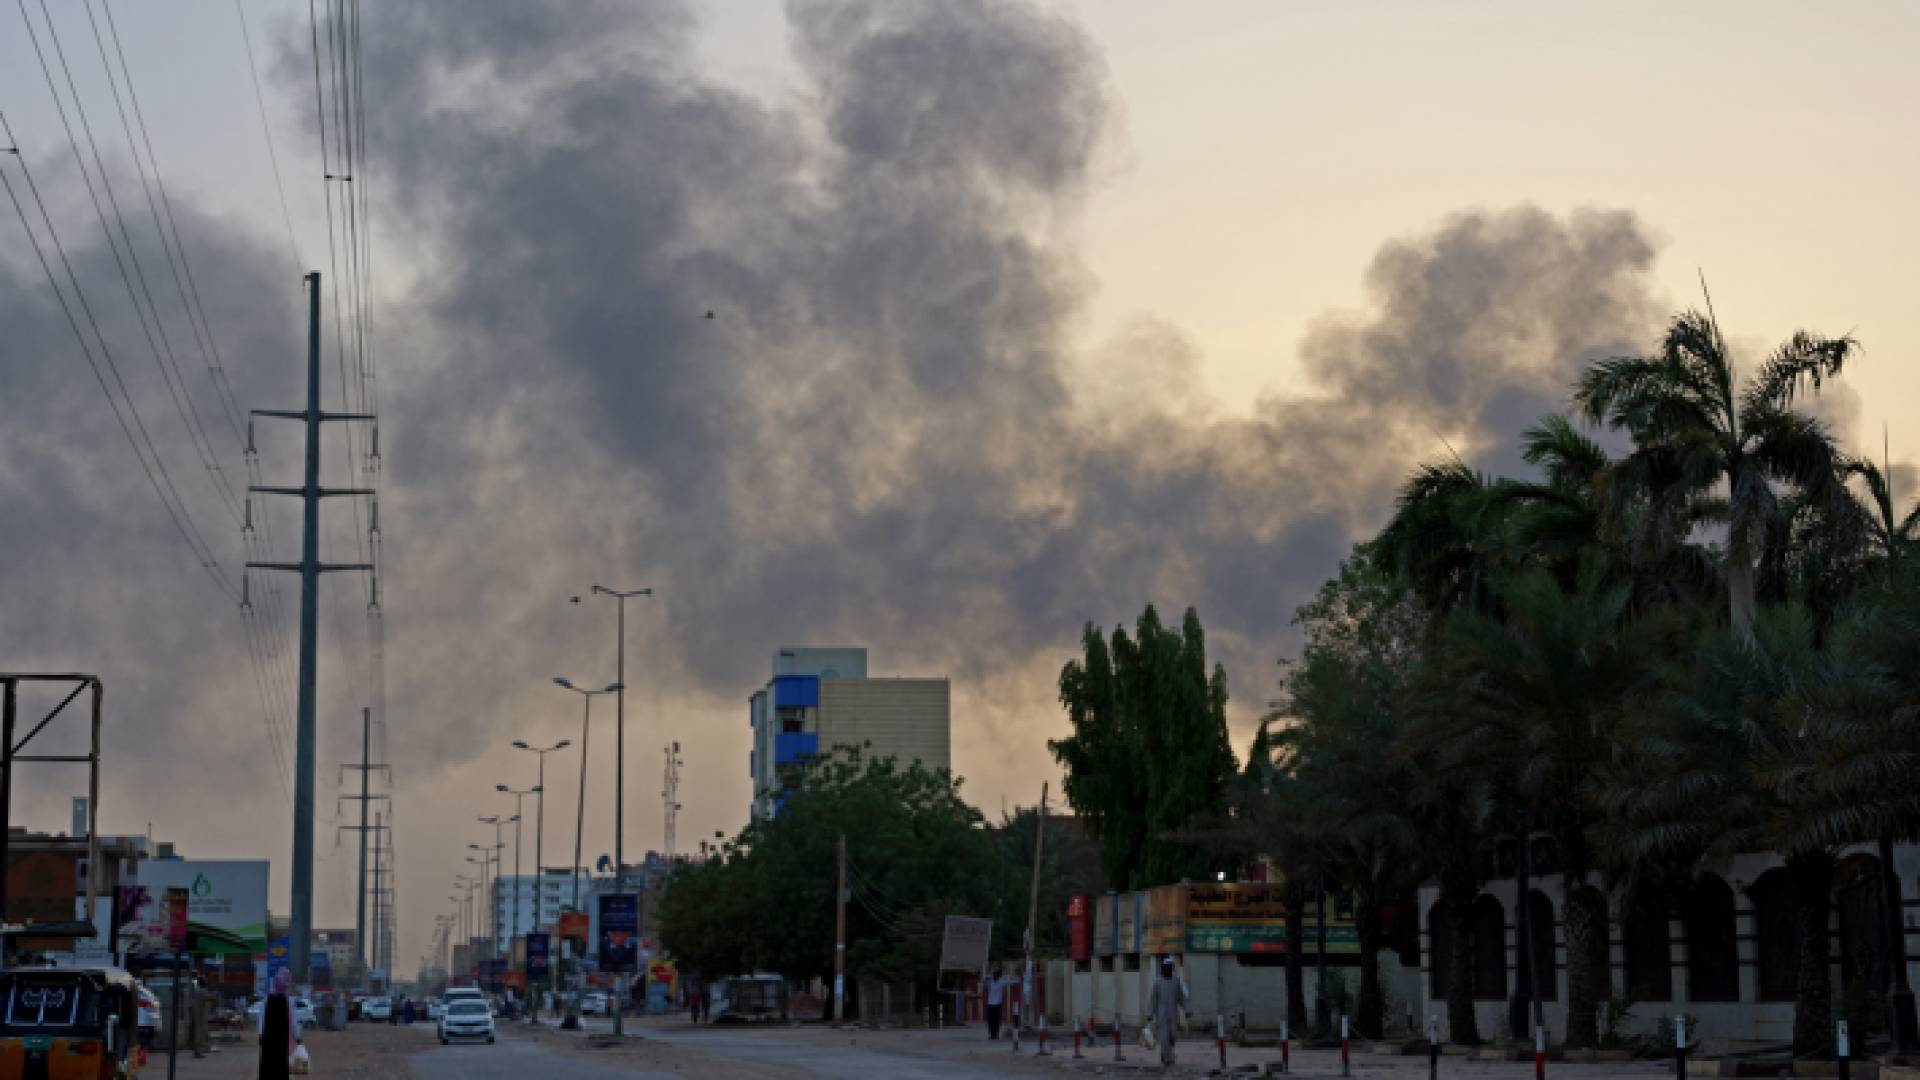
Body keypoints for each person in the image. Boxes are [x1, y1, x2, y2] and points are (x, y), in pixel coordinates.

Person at [1147, 957, 1189, 1070]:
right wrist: (1150, 1014)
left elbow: (1182, 998)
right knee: (1164, 1038)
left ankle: (1166, 1054)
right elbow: (1153, 1000)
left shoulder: (1176, 981)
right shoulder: (1157, 982)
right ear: (1163, 969)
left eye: (1169, 968)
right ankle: (1167, 1059)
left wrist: (1187, 1010)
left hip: (1173, 1015)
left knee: (1172, 1037)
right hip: (1161, 1015)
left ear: (1171, 968)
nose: (1167, 970)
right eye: (1165, 968)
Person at [258, 968, 297, 1080]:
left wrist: (261, 1034)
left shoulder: (267, 999)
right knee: (281, 1063)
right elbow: (293, 1022)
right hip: (282, 1039)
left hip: (268, 1038)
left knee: (267, 1063)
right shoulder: (289, 1001)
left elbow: (261, 1018)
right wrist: (296, 1037)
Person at [984, 966, 1009, 1040]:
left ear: (998, 976)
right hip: (991, 1004)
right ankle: (992, 1034)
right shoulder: (990, 982)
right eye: (994, 975)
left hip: (997, 1004)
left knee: (996, 1020)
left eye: (996, 975)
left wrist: (1019, 980)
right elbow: (984, 985)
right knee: (991, 1020)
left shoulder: (1001, 982)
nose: (994, 976)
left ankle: (995, 1034)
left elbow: (1010, 982)